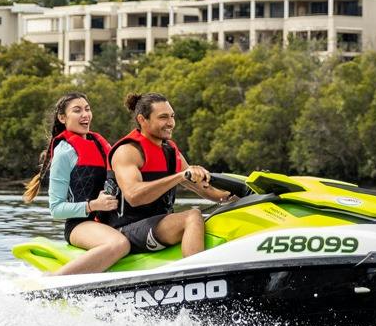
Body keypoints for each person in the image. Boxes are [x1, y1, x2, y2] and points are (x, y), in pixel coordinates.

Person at [109, 92, 232, 258]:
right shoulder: (128, 151)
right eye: (163, 117)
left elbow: (210, 192)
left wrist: (245, 195)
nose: (171, 123)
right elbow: (133, 195)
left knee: (215, 221)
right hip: (126, 230)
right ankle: (195, 276)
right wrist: (180, 176)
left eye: (172, 116)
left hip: (158, 226)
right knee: (193, 216)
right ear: (142, 120)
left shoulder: (170, 152)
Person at [20, 91, 129, 275]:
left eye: (87, 109)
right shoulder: (64, 153)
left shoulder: (101, 145)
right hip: (80, 226)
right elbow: (56, 209)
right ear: (62, 117)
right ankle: (54, 282)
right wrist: (93, 205)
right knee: (119, 244)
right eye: (77, 110)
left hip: (109, 221)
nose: (85, 115)